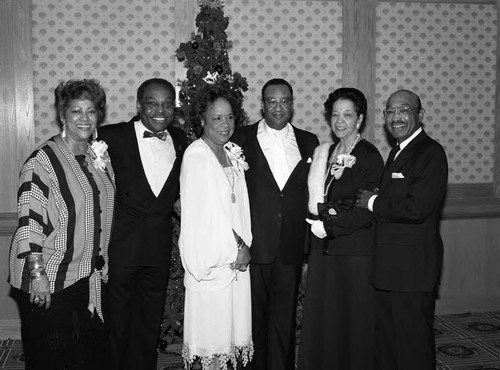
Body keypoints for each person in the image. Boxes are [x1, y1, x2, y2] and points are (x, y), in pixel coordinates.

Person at [8, 79, 114, 369]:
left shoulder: (96, 157)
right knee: (52, 356)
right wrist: (38, 274)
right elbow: (29, 222)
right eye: (76, 111)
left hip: (85, 274)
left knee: (86, 354)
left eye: (91, 111)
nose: (84, 118)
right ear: (62, 115)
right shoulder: (41, 161)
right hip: (49, 275)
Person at [99, 78, 188, 370]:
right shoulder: (110, 137)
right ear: (139, 105)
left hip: (157, 248)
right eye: (152, 103)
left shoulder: (181, 139)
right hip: (120, 248)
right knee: (115, 322)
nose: (160, 110)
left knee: (148, 323)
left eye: (166, 104)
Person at [231, 78, 319, 370]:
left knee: (284, 319)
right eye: (272, 101)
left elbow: (313, 192)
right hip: (255, 245)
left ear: (292, 105)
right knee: (254, 319)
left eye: (284, 101)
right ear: (263, 104)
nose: (278, 107)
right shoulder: (240, 139)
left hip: (291, 245)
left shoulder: (309, 142)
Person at [357, 89, 448, 370]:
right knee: (386, 340)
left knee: (412, 343)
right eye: (390, 111)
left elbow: (417, 208)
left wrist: (372, 202)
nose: (396, 117)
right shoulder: (397, 151)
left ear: (419, 115)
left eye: (404, 110)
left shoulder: (430, 153)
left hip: (411, 269)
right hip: (389, 266)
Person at [297, 87, 384, 370]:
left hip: (353, 251)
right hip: (324, 252)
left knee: (352, 319)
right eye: (335, 114)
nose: (340, 121)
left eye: (348, 115)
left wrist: (328, 222)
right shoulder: (325, 152)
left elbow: (364, 209)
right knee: (325, 318)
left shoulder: (369, 155)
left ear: (360, 119)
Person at [179, 88, 253, 370]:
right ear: (202, 121)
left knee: (229, 340)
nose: (225, 124)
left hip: (236, 262)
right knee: (213, 342)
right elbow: (206, 214)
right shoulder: (197, 155)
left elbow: (239, 207)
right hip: (214, 261)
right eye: (217, 118)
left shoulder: (230, 153)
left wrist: (245, 244)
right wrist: (237, 247)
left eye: (230, 117)